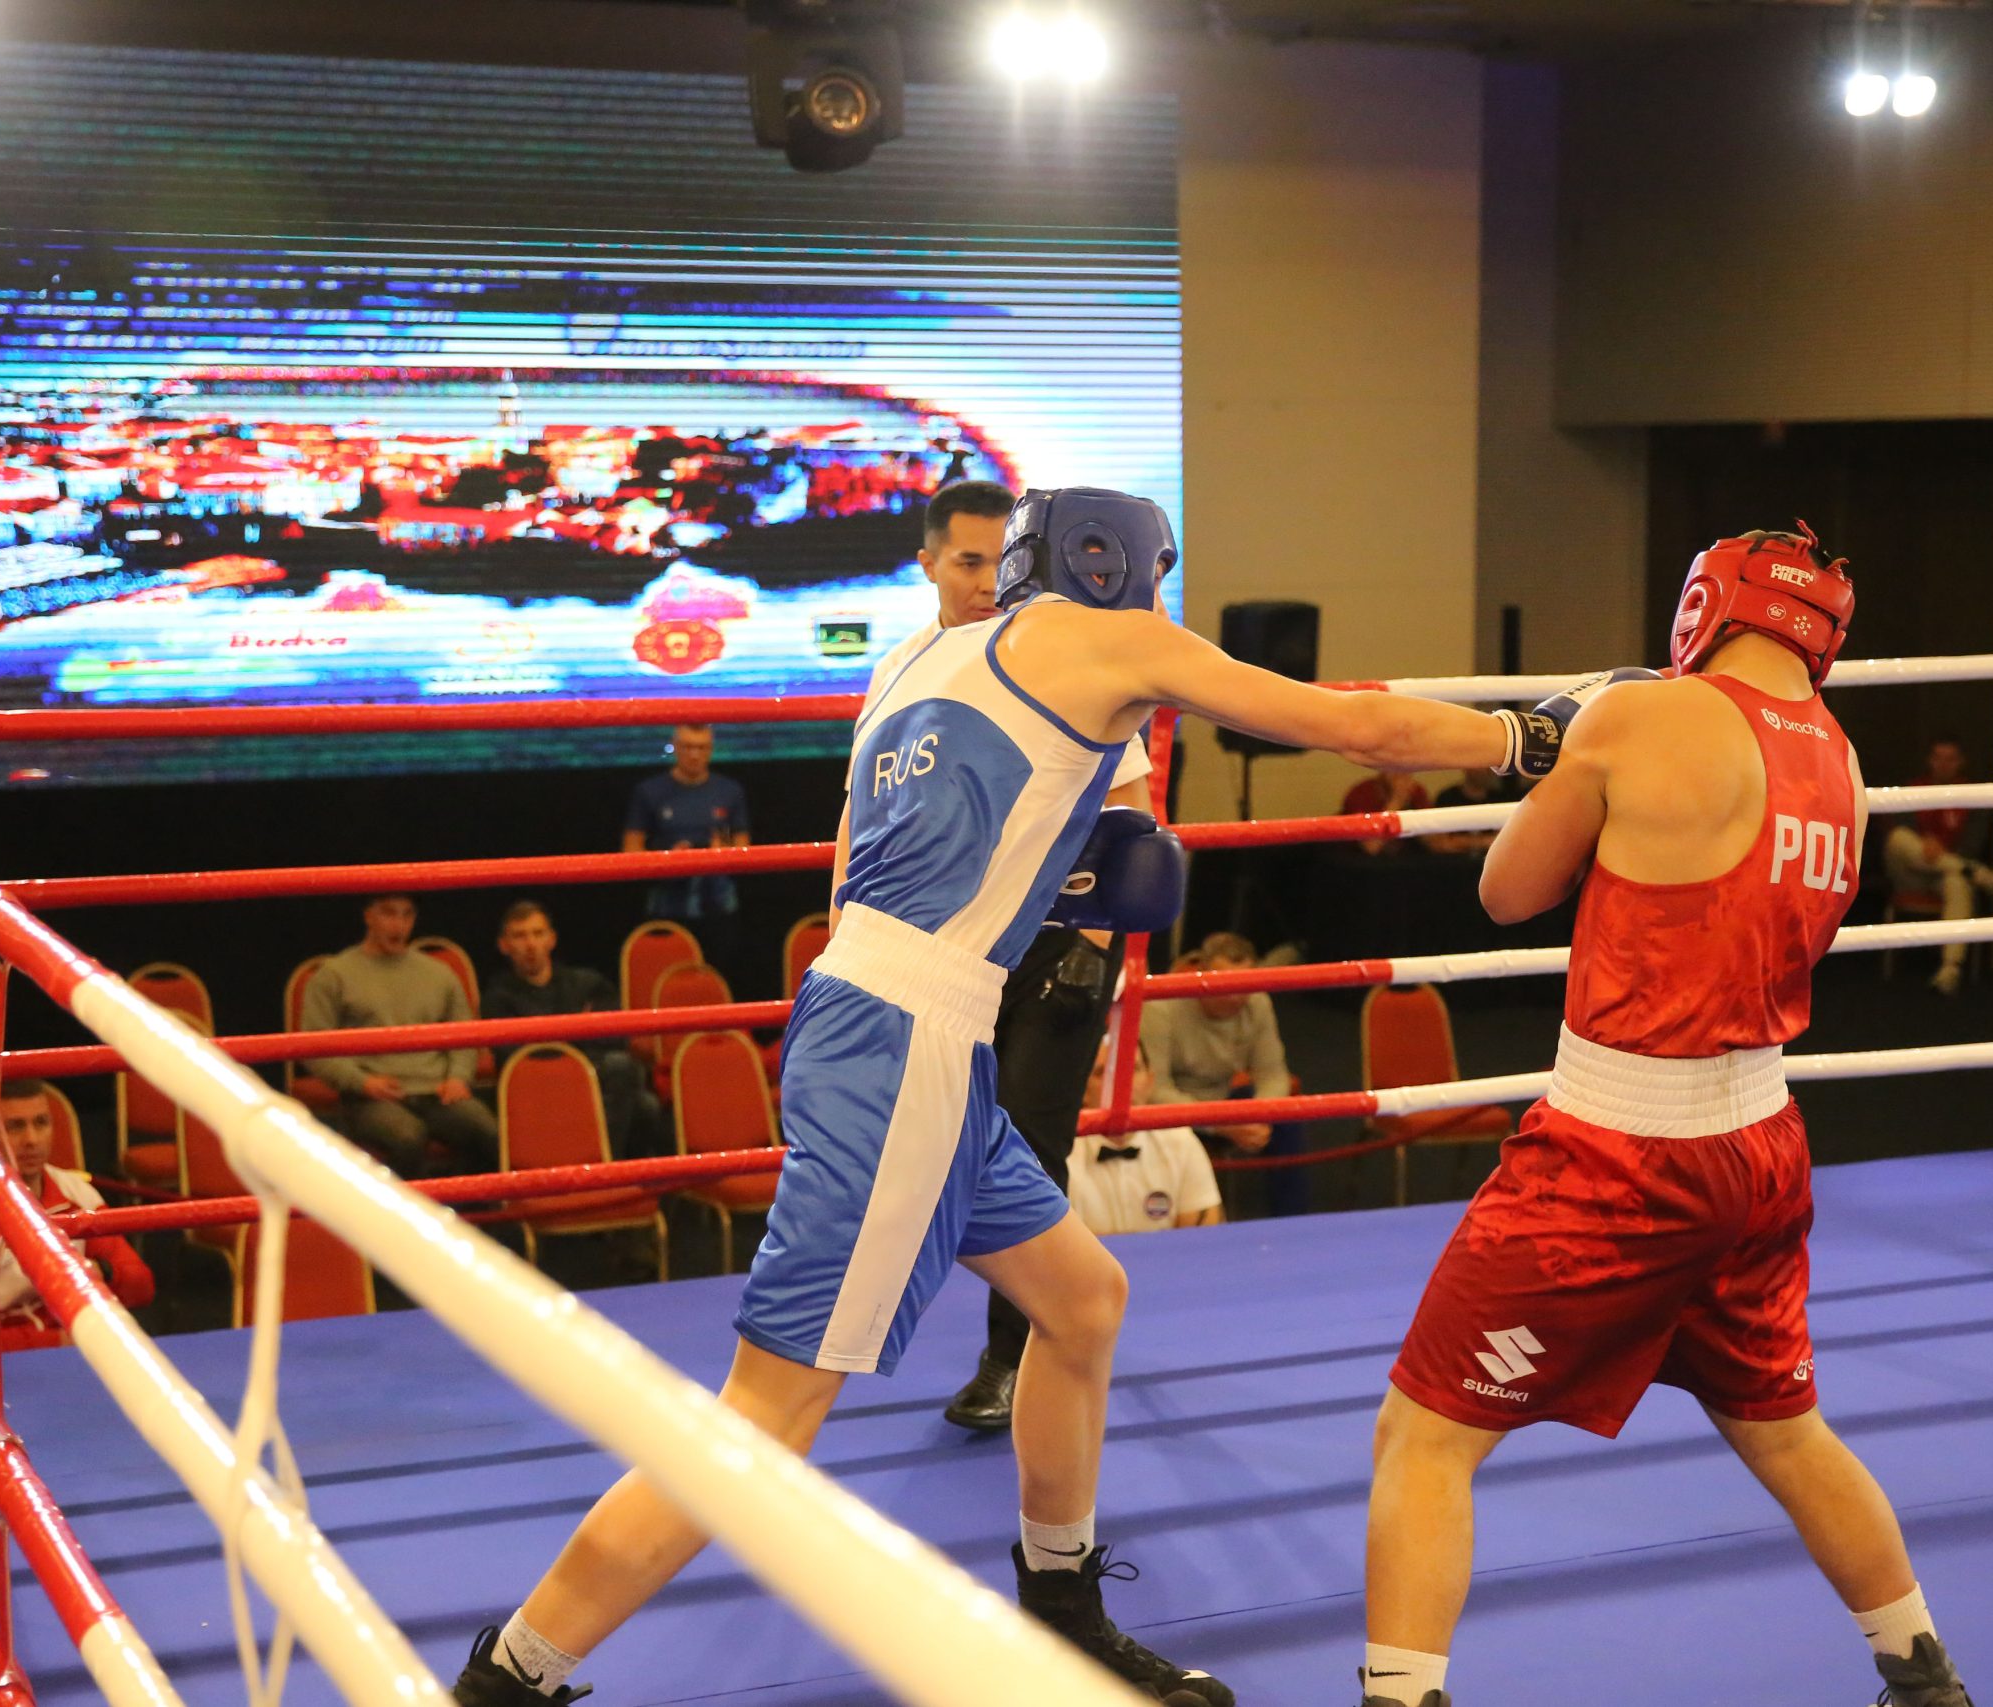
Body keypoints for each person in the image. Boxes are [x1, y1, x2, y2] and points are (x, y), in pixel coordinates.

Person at [453, 485, 1558, 1707]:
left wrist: (1040, 881)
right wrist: (1525, 737)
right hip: (909, 1045)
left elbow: (865, 871)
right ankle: (510, 1678)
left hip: (874, 1012)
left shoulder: (914, 666)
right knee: (765, 1413)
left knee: (1081, 1304)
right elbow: (1354, 728)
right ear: (1115, 563)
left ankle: (1062, 1605)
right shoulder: (1114, 641)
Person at [1359, 524, 1973, 1707]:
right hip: (1761, 1147)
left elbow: (1504, 892)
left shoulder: (1644, 716)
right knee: (1783, 1429)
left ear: (1707, 605)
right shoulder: (1841, 760)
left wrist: (1572, 747)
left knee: (1423, 1436)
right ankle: (1925, 1678)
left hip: (1618, 1153)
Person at [900, 480, 1163, 1434]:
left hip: (1056, 944)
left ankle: (1013, 1355)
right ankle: (1076, 1300)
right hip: (942, 950)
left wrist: (1091, 949)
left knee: (1030, 1144)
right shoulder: (903, 669)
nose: (985, 582)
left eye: (997, 561)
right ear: (929, 563)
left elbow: (1132, 817)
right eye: (965, 561)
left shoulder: (1058, 661)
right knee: (935, 1143)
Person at [301, 895, 497, 1178]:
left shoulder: (438, 974)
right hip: (370, 1096)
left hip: (436, 1091)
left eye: (407, 915)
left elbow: (464, 1033)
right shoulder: (334, 975)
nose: (399, 924)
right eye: (389, 914)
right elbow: (313, 1047)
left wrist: (458, 1077)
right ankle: (394, 1207)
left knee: (487, 1131)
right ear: (369, 916)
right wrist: (362, 1082)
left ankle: (469, 1204)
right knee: (408, 1137)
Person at [0, 1081, 155, 1353]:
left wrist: (98, 1271)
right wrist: (53, 1342)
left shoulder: (76, 1193)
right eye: (15, 1127)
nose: (32, 1140)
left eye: (41, 1123)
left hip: (70, 1352)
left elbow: (141, 1286)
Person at [1139, 931, 1309, 1217]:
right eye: (1225, 984)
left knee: (1287, 1120)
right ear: (1202, 974)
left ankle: (1293, 1223)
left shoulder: (1257, 1002)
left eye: (1243, 985)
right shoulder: (1161, 1007)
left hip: (1225, 1101)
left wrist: (1259, 1113)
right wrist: (1220, 1122)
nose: (1235, 995)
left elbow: (1273, 1074)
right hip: (1176, 1111)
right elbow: (1154, 1091)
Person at [481, 900, 660, 1159]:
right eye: (519, 936)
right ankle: (601, 1168)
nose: (530, 944)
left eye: (538, 934)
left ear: (551, 940)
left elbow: (617, 1036)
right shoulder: (497, 997)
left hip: (592, 1080)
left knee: (645, 1103)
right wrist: (577, 1033)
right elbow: (515, 1056)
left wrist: (551, 1038)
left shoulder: (587, 983)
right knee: (627, 1081)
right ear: (504, 945)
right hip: (536, 1090)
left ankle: (609, 1170)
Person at [1882, 736, 1993, 994]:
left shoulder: (1972, 796)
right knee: (1898, 839)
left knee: (1957, 883)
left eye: (1950, 759)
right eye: (1938, 758)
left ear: (1961, 762)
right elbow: (1903, 830)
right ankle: (1974, 873)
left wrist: (1943, 853)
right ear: (1929, 761)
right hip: (1911, 872)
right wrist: (1925, 843)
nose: (1943, 764)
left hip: (1943, 874)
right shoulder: (1913, 789)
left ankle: (1951, 967)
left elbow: (1973, 845)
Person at [1066, 1039, 1223, 1237]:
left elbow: (1203, 1239)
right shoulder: (1061, 1153)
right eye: (1101, 1073)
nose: (1120, 1083)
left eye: (1132, 1069)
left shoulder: (1181, 1141)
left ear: (1150, 1081)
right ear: (1082, 1089)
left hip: (1168, 1258)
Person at [621, 724, 750, 956]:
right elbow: (631, 851)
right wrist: (667, 859)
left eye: (701, 747)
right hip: (666, 906)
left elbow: (745, 849)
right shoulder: (648, 791)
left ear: (711, 749)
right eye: (688, 747)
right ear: (675, 747)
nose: (694, 754)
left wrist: (722, 854)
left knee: (720, 971)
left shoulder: (731, 791)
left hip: (718, 905)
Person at [1341, 767, 1432, 857]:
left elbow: (1435, 843)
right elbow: (1371, 847)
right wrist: (1396, 802)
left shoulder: (1416, 792)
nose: (1400, 774)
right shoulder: (1362, 793)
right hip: (1363, 860)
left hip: (1405, 858)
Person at [1426, 764, 1510, 856]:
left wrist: (1460, 841)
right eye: (1481, 766)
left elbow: (1505, 842)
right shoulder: (1447, 798)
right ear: (1466, 768)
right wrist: (1484, 842)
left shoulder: (1500, 799)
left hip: (1491, 861)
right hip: (1453, 862)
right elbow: (1441, 843)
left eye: (1489, 766)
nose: (1486, 771)